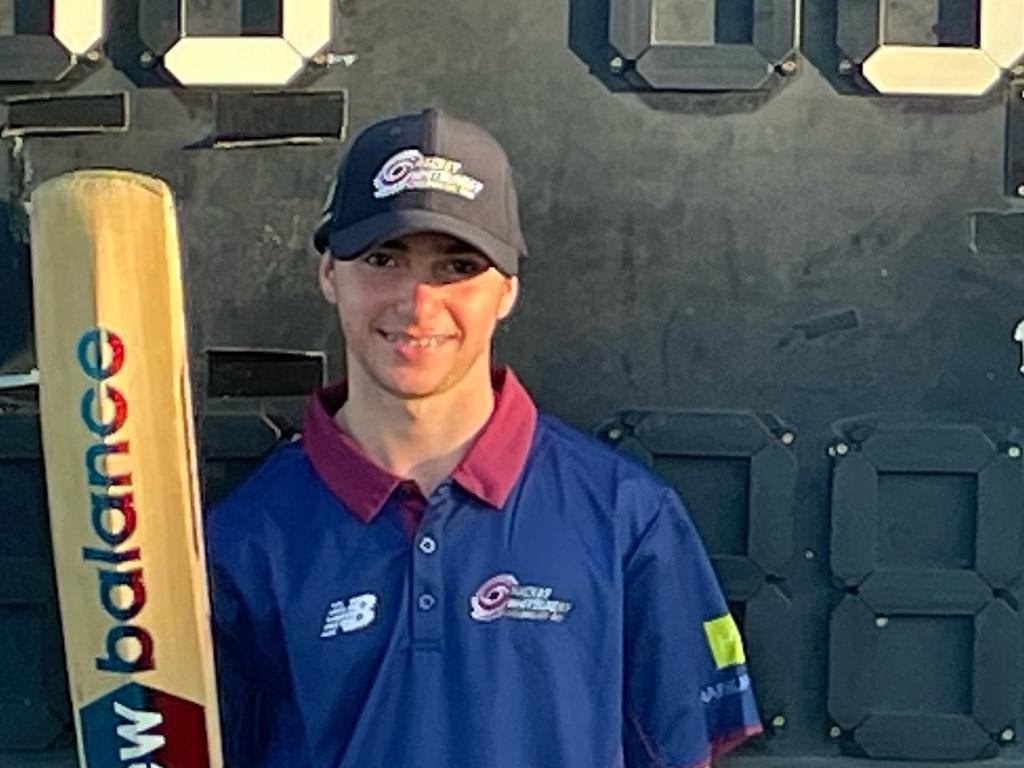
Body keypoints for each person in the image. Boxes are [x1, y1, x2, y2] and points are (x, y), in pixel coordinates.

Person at [206, 107, 762, 768]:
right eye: (384, 258)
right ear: (329, 273)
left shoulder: (626, 518)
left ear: (507, 290)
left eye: (455, 267)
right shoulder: (242, 537)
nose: (417, 303)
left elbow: (682, 756)